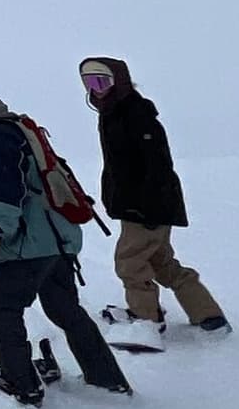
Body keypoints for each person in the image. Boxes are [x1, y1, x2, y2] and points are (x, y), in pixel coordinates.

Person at [0, 77, 131, 406]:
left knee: (0, 310)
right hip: (56, 240)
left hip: (27, 245)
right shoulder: (10, 127)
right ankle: (106, 379)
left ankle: (21, 384)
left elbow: (8, 194)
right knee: (65, 310)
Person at [76, 56, 229, 336]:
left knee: (130, 263)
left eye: (102, 81)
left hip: (146, 207)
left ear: (119, 82)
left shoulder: (135, 114)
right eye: (89, 82)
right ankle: (208, 316)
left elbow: (158, 165)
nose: (96, 89)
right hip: (140, 205)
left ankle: (146, 322)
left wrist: (148, 207)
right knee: (161, 262)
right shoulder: (113, 112)